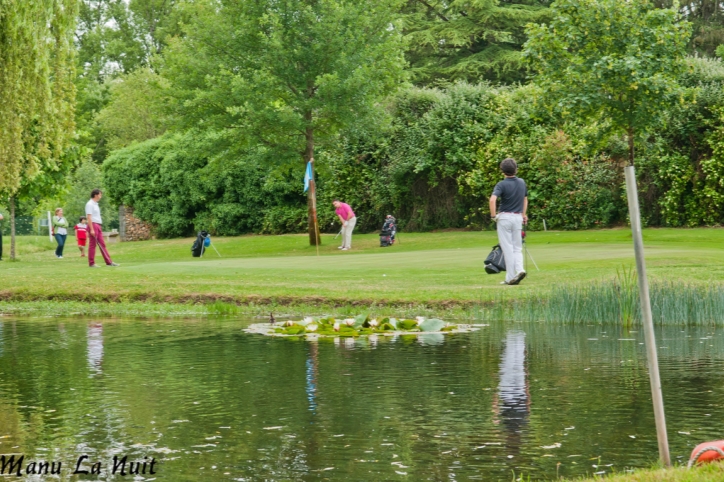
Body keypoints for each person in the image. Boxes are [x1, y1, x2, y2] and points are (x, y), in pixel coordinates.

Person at [489, 158, 528, 285]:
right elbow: (525, 199)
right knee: (517, 247)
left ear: (502, 171)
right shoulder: (522, 182)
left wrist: (493, 216)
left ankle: (510, 277)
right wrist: (523, 214)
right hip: (517, 218)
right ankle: (520, 270)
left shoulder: (501, 184)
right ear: (516, 169)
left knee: (507, 248)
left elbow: (492, 200)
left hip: (505, 217)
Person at [85, 189, 119, 267]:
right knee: (92, 244)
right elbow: (89, 217)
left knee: (102, 244)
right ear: (96, 195)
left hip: (98, 225)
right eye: (100, 194)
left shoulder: (96, 204)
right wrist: (92, 229)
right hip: (93, 225)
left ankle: (109, 262)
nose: (101, 196)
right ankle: (91, 263)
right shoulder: (89, 204)